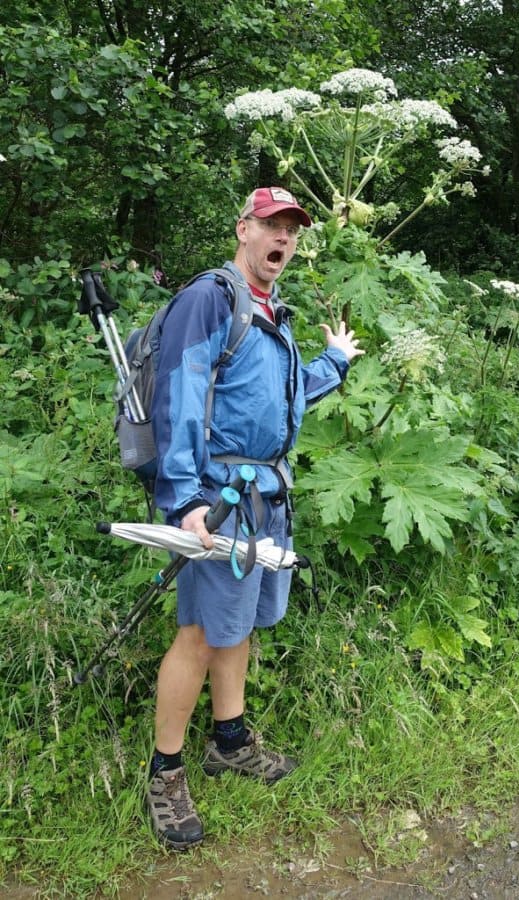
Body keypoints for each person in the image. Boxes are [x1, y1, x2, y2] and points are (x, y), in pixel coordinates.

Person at [146, 186, 364, 849]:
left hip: (268, 497)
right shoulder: (208, 299)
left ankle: (230, 739)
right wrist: (184, 498)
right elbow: (180, 390)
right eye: (272, 225)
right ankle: (166, 770)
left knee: (237, 625)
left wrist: (332, 364)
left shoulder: (272, 313)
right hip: (219, 499)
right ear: (243, 228)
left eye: (292, 230)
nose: (284, 238)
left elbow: (280, 399)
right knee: (199, 633)